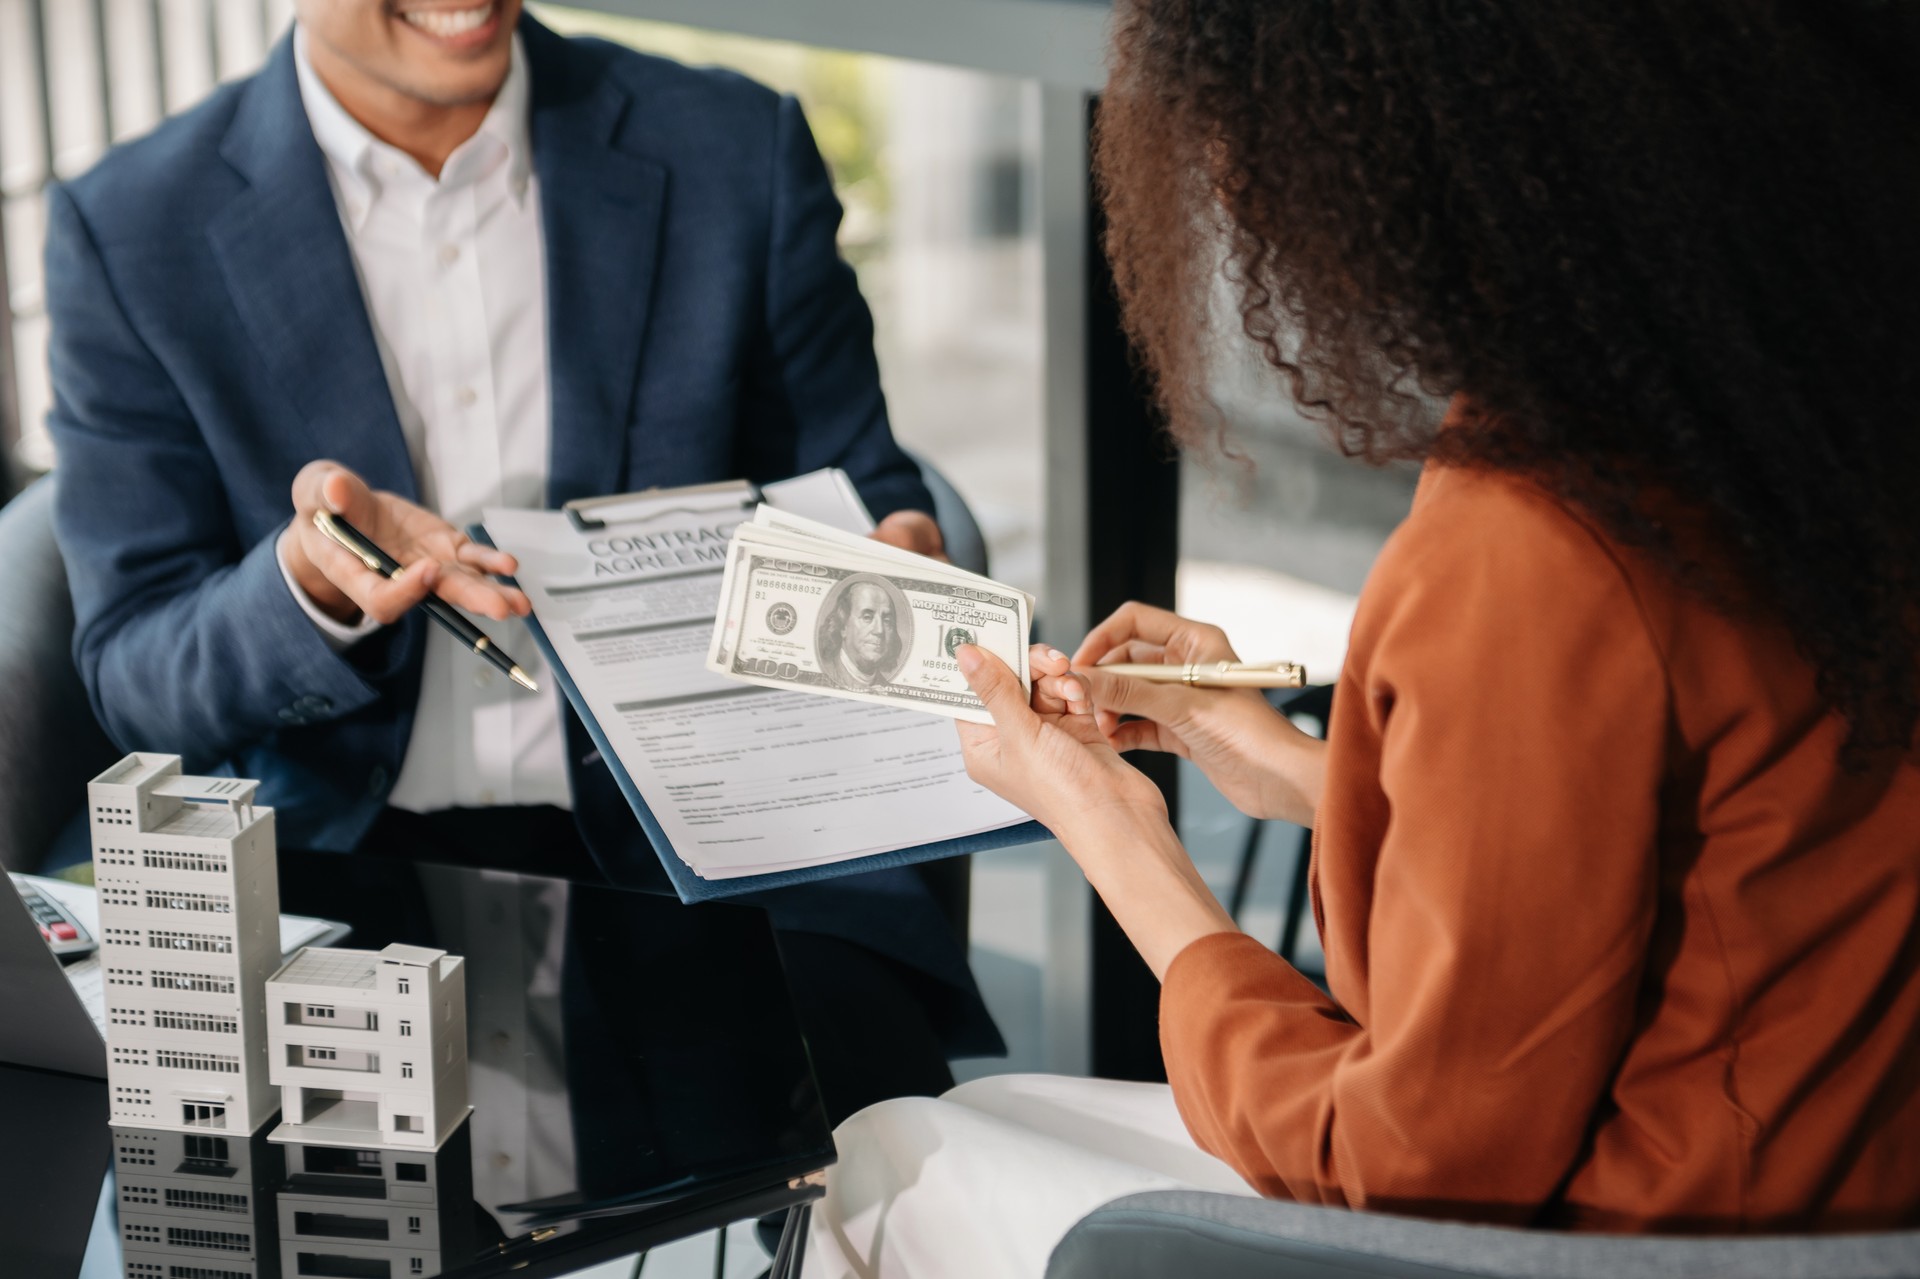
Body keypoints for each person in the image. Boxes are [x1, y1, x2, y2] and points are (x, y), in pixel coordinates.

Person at [808, 1, 1920, 1273]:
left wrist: (1113, 832)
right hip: (1832, 1195)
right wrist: (1284, 762)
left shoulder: (1534, 535)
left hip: (1629, 1238)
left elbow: (1411, 1165)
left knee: (896, 1156)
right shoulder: (1811, 412)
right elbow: (1649, 851)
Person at [44, 0, 1001, 1143]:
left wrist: (896, 551)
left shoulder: (734, 148)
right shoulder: (131, 229)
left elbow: (863, 477)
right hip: (336, 862)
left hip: (721, 841)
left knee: (900, 1179)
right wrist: (307, 587)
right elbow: (137, 669)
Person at [820, 577, 906, 690]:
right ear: (843, 626)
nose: (879, 630)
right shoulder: (823, 677)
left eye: (887, 621)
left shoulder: (887, 688)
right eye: (867, 617)